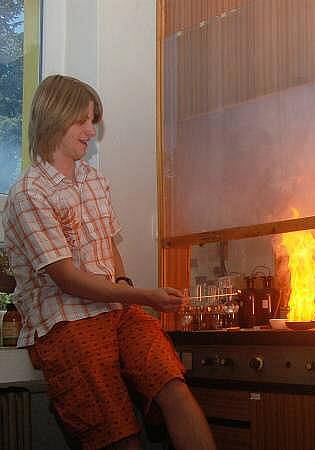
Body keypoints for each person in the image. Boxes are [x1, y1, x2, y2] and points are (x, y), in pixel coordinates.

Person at [1, 74, 217, 450]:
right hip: (67, 322)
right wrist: (146, 297)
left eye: (92, 120)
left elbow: (109, 248)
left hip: (118, 311)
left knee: (174, 388)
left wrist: (126, 289)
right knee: (117, 434)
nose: (91, 129)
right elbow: (66, 277)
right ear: (56, 116)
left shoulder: (93, 180)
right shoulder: (28, 193)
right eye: (83, 120)